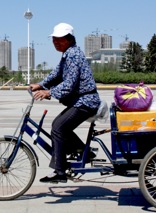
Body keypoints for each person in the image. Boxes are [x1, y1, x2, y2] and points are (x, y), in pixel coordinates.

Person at [29, 23, 101, 183]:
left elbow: (69, 83)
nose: (55, 42)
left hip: (86, 101)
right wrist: (41, 84)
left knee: (58, 127)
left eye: (59, 39)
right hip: (81, 101)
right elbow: (57, 74)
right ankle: (84, 152)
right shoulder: (67, 54)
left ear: (68, 39)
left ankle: (60, 171)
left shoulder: (73, 54)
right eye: (54, 40)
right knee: (59, 126)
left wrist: (48, 92)